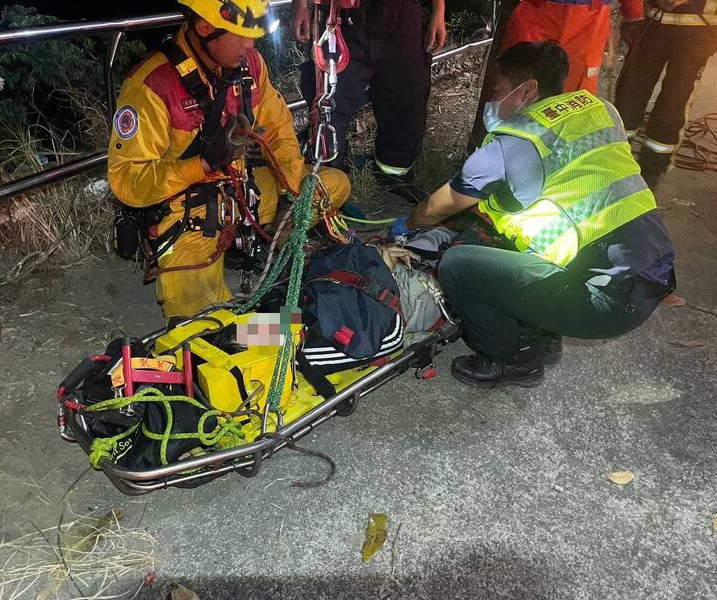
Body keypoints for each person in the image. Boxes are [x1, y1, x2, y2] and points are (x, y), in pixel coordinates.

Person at [391, 41, 676, 388]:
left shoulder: (515, 140)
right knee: (517, 237)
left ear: (526, 90)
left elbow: (437, 207)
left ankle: (510, 359)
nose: (492, 101)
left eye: (497, 90)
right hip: (653, 273)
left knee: (457, 265)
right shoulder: (598, 109)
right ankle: (544, 332)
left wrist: (406, 225)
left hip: (605, 301)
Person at [108, 0, 350, 320]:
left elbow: (277, 127)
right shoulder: (152, 87)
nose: (251, 44)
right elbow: (126, 180)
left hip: (241, 191)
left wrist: (291, 195)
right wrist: (202, 165)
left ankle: (269, 243)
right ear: (205, 28)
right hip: (188, 215)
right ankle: (273, 333)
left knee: (332, 183)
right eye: (241, 35)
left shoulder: (250, 65)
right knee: (203, 326)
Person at [290, 0, 447, 204]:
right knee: (328, 105)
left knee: (407, 95)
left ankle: (394, 172)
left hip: (403, 14)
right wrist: (300, 4)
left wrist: (439, 9)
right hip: (342, 16)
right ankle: (326, 188)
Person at [615, 0, 717, 188]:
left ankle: (651, 171)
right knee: (629, 94)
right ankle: (614, 159)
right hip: (652, 19)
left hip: (698, 26)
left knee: (674, 102)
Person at [499, 0, 644, 94]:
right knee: (515, 81)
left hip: (589, 22)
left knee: (574, 92)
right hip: (537, 13)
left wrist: (633, 12)